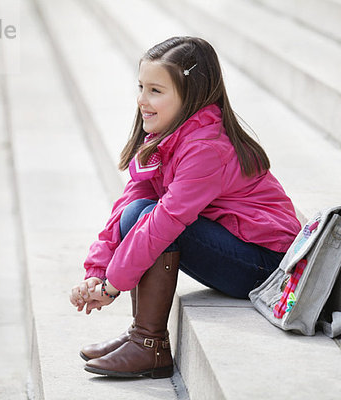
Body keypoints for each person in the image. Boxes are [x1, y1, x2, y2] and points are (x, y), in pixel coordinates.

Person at [69, 36, 301, 379]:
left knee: (152, 220)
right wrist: (97, 271)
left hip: (263, 266)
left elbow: (166, 222)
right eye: (141, 87)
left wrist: (112, 286)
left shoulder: (206, 148)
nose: (141, 101)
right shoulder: (167, 137)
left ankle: (149, 344)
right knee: (137, 212)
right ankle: (140, 333)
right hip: (232, 249)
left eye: (155, 91)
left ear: (190, 96)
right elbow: (127, 205)